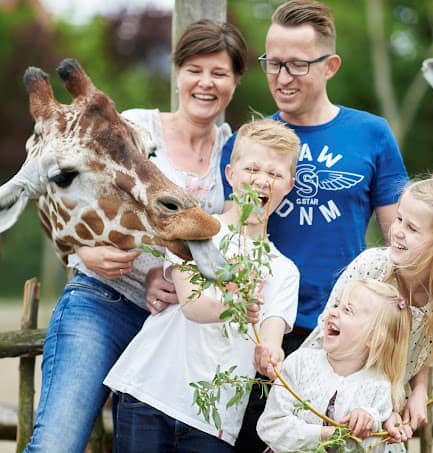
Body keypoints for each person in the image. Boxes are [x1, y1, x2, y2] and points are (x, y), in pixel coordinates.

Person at [23, 20, 248, 452]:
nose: (206, 83)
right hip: (107, 302)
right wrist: (81, 254)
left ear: (236, 81)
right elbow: (65, 193)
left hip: (178, 327)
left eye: (220, 73)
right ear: (176, 72)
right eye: (194, 69)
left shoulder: (236, 151)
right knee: (57, 442)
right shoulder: (133, 127)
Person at [220, 2, 408, 449]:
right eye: (272, 63)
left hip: (342, 335)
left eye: (297, 65)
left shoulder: (371, 134)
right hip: (264, 334)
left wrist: (410, 377)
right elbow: (230, 233)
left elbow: (402, 250)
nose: (281, 77)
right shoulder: (252, 143)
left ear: (330, 66)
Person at [104, 119, 301, 452]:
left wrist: (269, 356)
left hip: (213, 420)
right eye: (252, 168)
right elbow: (193, 305)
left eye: (275, 174)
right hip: (150, 391)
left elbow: (270, 335)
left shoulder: (283, 271)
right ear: (230, 174)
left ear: (289, 185)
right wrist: (236, 307)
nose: (262, 180)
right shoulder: (195, 232)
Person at [302, 177, 433, 447]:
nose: (397, 230)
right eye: (399, 219)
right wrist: (375, 408)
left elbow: (421, 347)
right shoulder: (372, 269)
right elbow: (327, 338)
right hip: (322, 406)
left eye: (412, 227)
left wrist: (419, 390)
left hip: (376, 421)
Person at [257, 279, 412, 453]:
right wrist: (325, 433)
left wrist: (368, 419)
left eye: (347, 310)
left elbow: (377, 438)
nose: (332, 312)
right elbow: (271, 426)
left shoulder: (378, 385)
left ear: (373, 338)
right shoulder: (299, 363)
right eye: (337, 304)